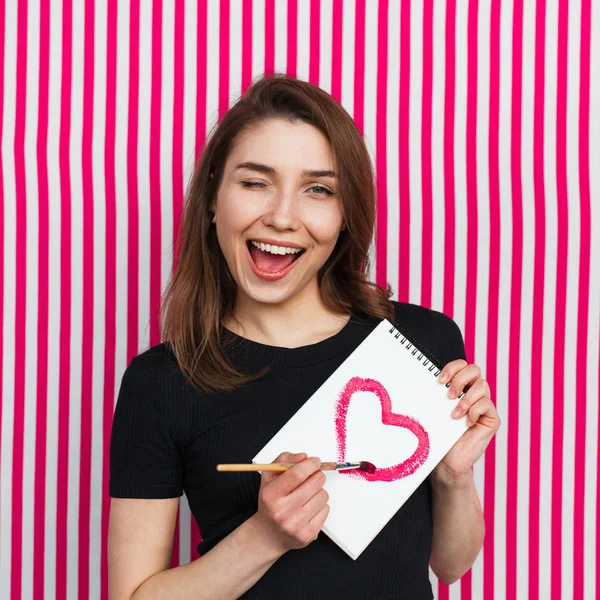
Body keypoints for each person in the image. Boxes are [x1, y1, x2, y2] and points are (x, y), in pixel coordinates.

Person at [108, 73, 500, 600]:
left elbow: (451, 565)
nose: (283, 216)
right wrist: (265, 536)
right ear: (211, 201)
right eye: (254, 182)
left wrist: (453, 474)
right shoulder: (161, 383)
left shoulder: (422, 341)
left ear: (344, 217)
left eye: (318, 189)